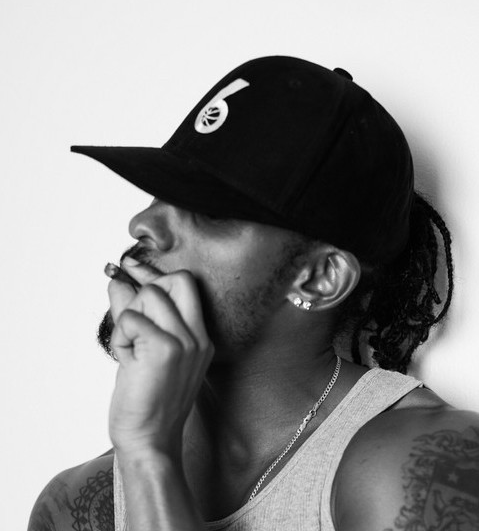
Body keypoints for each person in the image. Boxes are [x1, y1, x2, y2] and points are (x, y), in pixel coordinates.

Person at [28, 56, 479, 531]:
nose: (142, 224)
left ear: (320, 277)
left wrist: (148, 452)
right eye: (159, 193)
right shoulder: (81, 503)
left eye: (211, 212)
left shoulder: (422, 467)